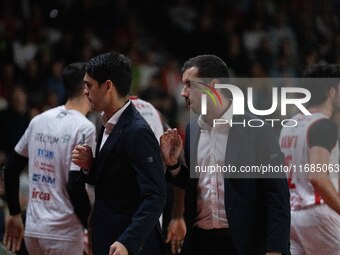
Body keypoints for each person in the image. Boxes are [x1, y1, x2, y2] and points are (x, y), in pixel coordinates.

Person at [160, 54, 290, 255]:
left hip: (242, 242)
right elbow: (199, 186)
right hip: (201, 242)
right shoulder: (192, 129)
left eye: (189, 84)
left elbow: (277, 194)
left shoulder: (257, 129)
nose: (183, 93)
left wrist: (275, 248)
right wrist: (174, 166)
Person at [71, 52, 167, 255]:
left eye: (89, 85)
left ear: (107, 86)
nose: (85, 91)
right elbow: (117, 181)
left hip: (129, 244)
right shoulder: (106, 122)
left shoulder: (138, 131)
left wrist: (128, 241)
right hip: (108, 236)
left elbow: (155, 195)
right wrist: (91, 166)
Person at [3, 62, 96, 254]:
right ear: (87, 88)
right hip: (64, 232)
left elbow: (11, 168)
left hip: (34, 231)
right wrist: (90, 226)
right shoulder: (84, 127)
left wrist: (14, 213)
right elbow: (75, 185)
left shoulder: (39, 120)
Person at [279, 64, 340, 255]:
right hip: (316, 211)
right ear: (332, 92)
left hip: (292, 216)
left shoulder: (289, 123)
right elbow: (317, 177)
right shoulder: (323, 125)